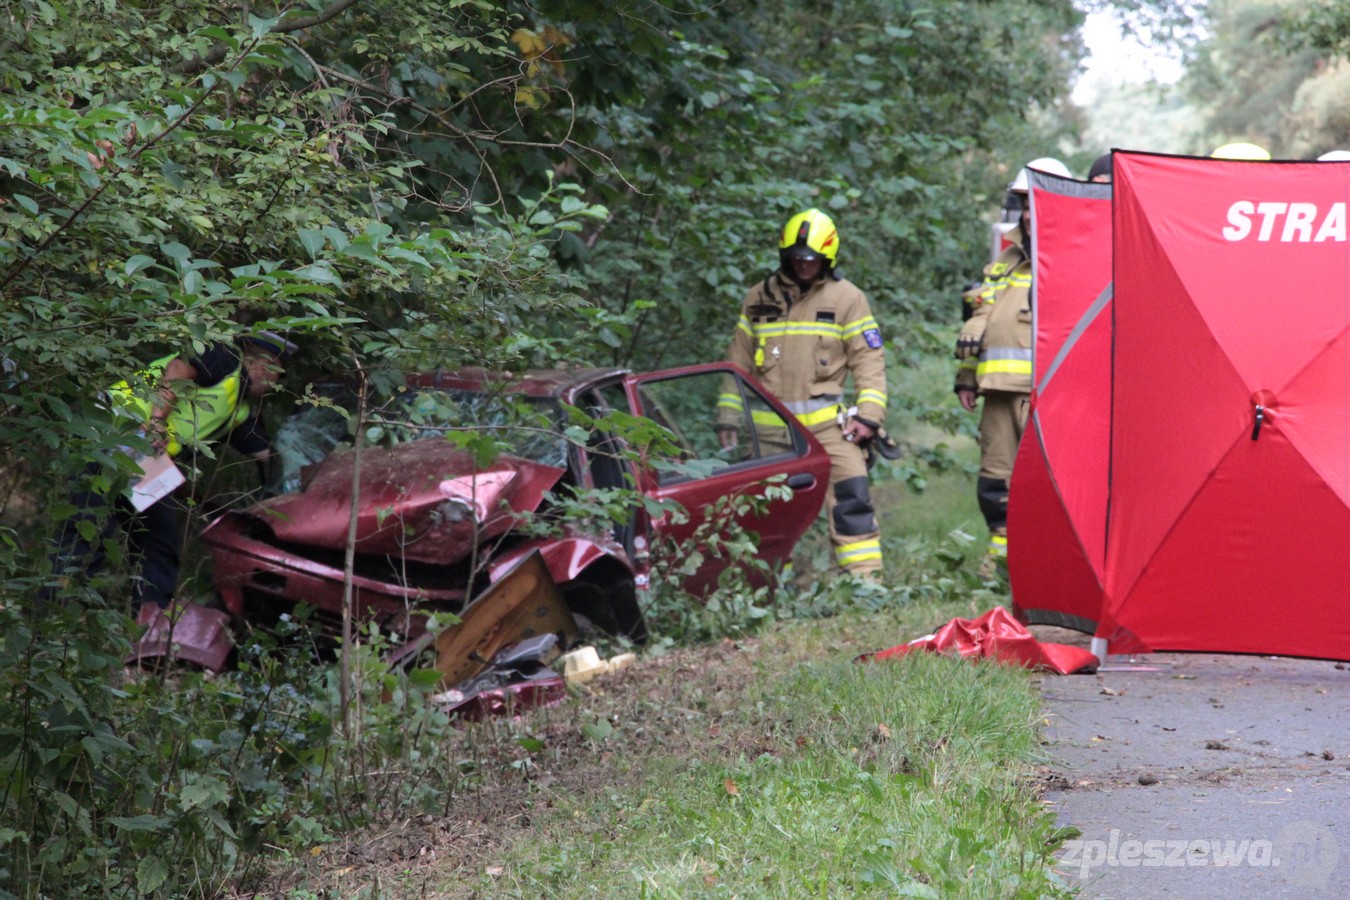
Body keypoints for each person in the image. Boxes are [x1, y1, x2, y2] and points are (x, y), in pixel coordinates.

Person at [52, 332, 296, 614]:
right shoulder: (225, 358)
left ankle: (149, 629)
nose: (278, 384)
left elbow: (270, 456)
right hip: (115, 428)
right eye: (281, 375)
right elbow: (178, 369)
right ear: (267, 365)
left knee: (158, 542)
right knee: (88, 530)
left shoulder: (237, 412)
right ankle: (55, 617)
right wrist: (157, 422)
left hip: (145, 458)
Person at [716, 208, 888, 577]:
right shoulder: (758, 299)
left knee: (852, 500)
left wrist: (869, 417)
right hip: (770, 434)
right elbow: (737, 366)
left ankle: (866, 587)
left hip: (830, 430)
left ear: (827, 257)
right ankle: (770, 587)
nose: (804, 265)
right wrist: (728, 418)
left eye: (811, 259)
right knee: (768, 514)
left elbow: (869, 362)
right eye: (796, 258)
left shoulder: (847, 299)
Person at [955, 157, 1069, 578]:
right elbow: (978, 322)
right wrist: (966, 378)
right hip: (997, 392)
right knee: (995, 483)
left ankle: (1047, 567)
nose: (1026, 213)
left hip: (1045, 395)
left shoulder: (1070, 261)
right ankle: (1000, 564)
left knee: (1048, 487)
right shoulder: (1003, 265)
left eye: (1033, 202)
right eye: (1021, 203)